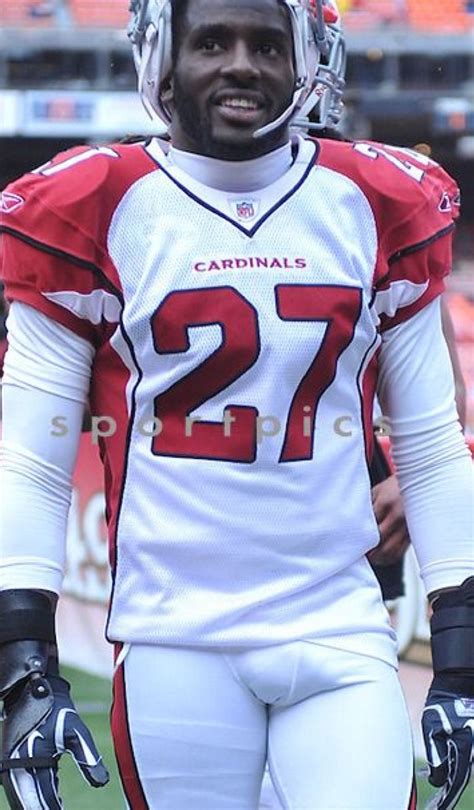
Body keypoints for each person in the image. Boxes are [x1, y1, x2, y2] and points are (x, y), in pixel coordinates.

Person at [0, 0, 472, 808]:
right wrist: (22, 659)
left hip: (340, 619)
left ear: (307, 61)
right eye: (211, 40)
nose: (242, 64)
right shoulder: (97, 203)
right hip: (173, 636)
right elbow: (33, 458)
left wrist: (461, 651)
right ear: (161, 62)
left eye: (266, 42)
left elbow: (430, 445)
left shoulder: (373, 197)